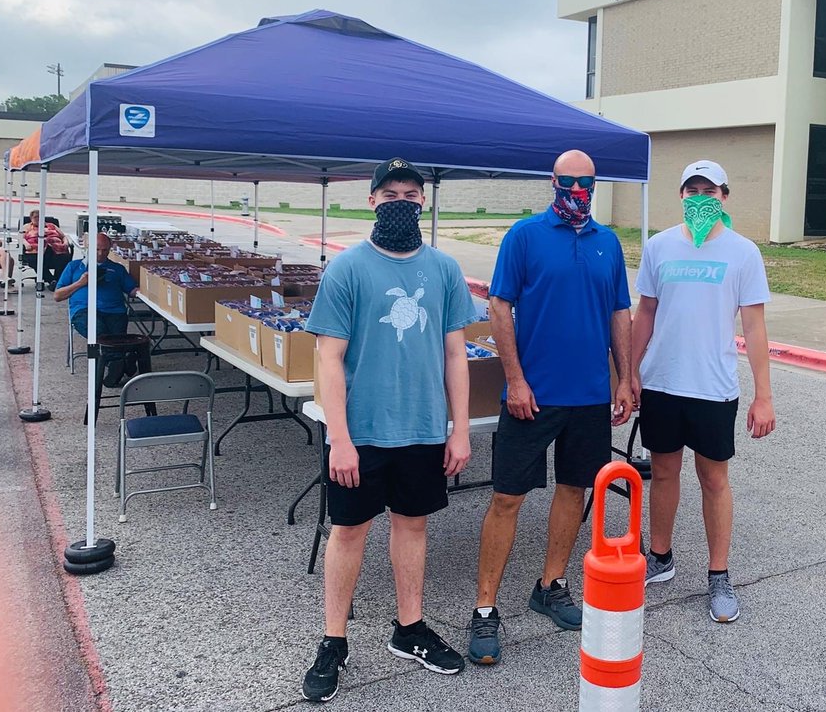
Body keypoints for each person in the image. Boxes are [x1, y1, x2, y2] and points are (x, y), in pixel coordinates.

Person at [301, 158, 476, 703]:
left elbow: (455, 353)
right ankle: (334, 640)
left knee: (413, 526)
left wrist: (460, 429)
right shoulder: (347, 269)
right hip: (364, 432)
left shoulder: (444, 269)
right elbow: (328, 358)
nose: (401, 201)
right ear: (372, 201)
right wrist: (340, 437)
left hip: (423, 429)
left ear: (423, 202)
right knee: (349, 531)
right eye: (390, 193)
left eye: (411, 193)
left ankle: (410, 629)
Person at [467, 149, 634, 667]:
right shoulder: (524, 236)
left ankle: (550, 584)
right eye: (569, 181)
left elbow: (619, 312)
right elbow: (499, 305)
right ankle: (486, 608)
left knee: (573, 490)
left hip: (588, 397)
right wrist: (514, 379)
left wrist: (626, 378)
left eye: (587, 182)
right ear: (552, 182)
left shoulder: (608, 242)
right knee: (508, 498)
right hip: (531, 397)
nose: (578, 190)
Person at [630, 160, 775, 624]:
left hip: (713, 388)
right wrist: (629, 373)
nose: (699, 197)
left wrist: (763, 395)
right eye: (691, 189)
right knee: (665, 473)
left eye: (708, 190)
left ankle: (718, 575)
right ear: (681, 195)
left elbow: (754, 327)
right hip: (662, 383)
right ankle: (660, 556)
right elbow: (645, 313)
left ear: (724, 197)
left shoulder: (743, 252)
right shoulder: (659, 246)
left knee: (714, 480)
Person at [54, 232, 139, 386]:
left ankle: (118, 362)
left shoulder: (117, 269)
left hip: (115, 311)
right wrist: (80, 283)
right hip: (84, 310)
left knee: (116, 338)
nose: (101, 254)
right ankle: (120, 361)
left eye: (105, 250)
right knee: (100, 332)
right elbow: (58, 296)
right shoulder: (74, 266)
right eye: (97, 250)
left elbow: (132, 290)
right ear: (87, 247)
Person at [22, 210, 72, 289]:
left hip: (56, 249)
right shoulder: (27, 227)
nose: (38, 219)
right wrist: (26, 244)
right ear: (31, 218)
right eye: (35, 217)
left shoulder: (52, 225)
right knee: (35, 260)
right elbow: (21, 237)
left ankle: (57, 281)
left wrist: (65, 242)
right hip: (35, 250)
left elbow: (63, 236)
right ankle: (52, 281)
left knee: (64, 257)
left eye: (40, 217)